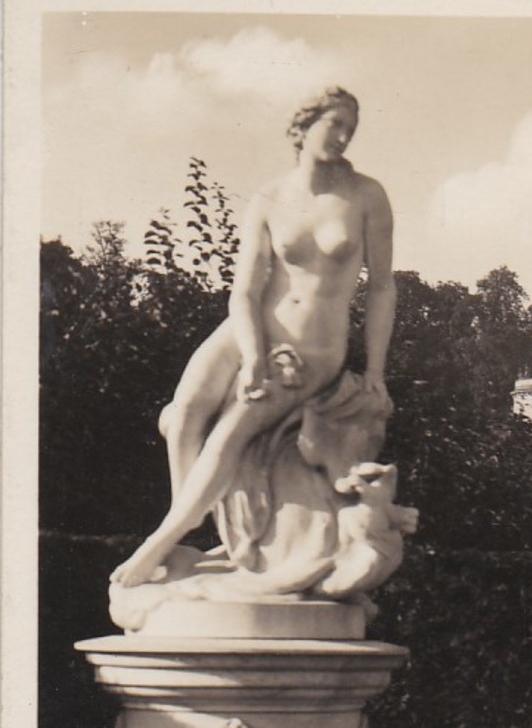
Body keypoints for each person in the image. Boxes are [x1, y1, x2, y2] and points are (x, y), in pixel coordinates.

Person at [111, 87, 396, 588]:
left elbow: (382, 288)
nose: (345, 135)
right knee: (185, 411)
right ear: (303, 128)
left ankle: (157, 543)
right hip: (253, 327)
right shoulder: (269, 198)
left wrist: (374, 371)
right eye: (335, 123)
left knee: (230, 430)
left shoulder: (366, 195)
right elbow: (244, 291)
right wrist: (254, 354)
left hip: (313, 346)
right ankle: (189, 526)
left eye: (351, 126)